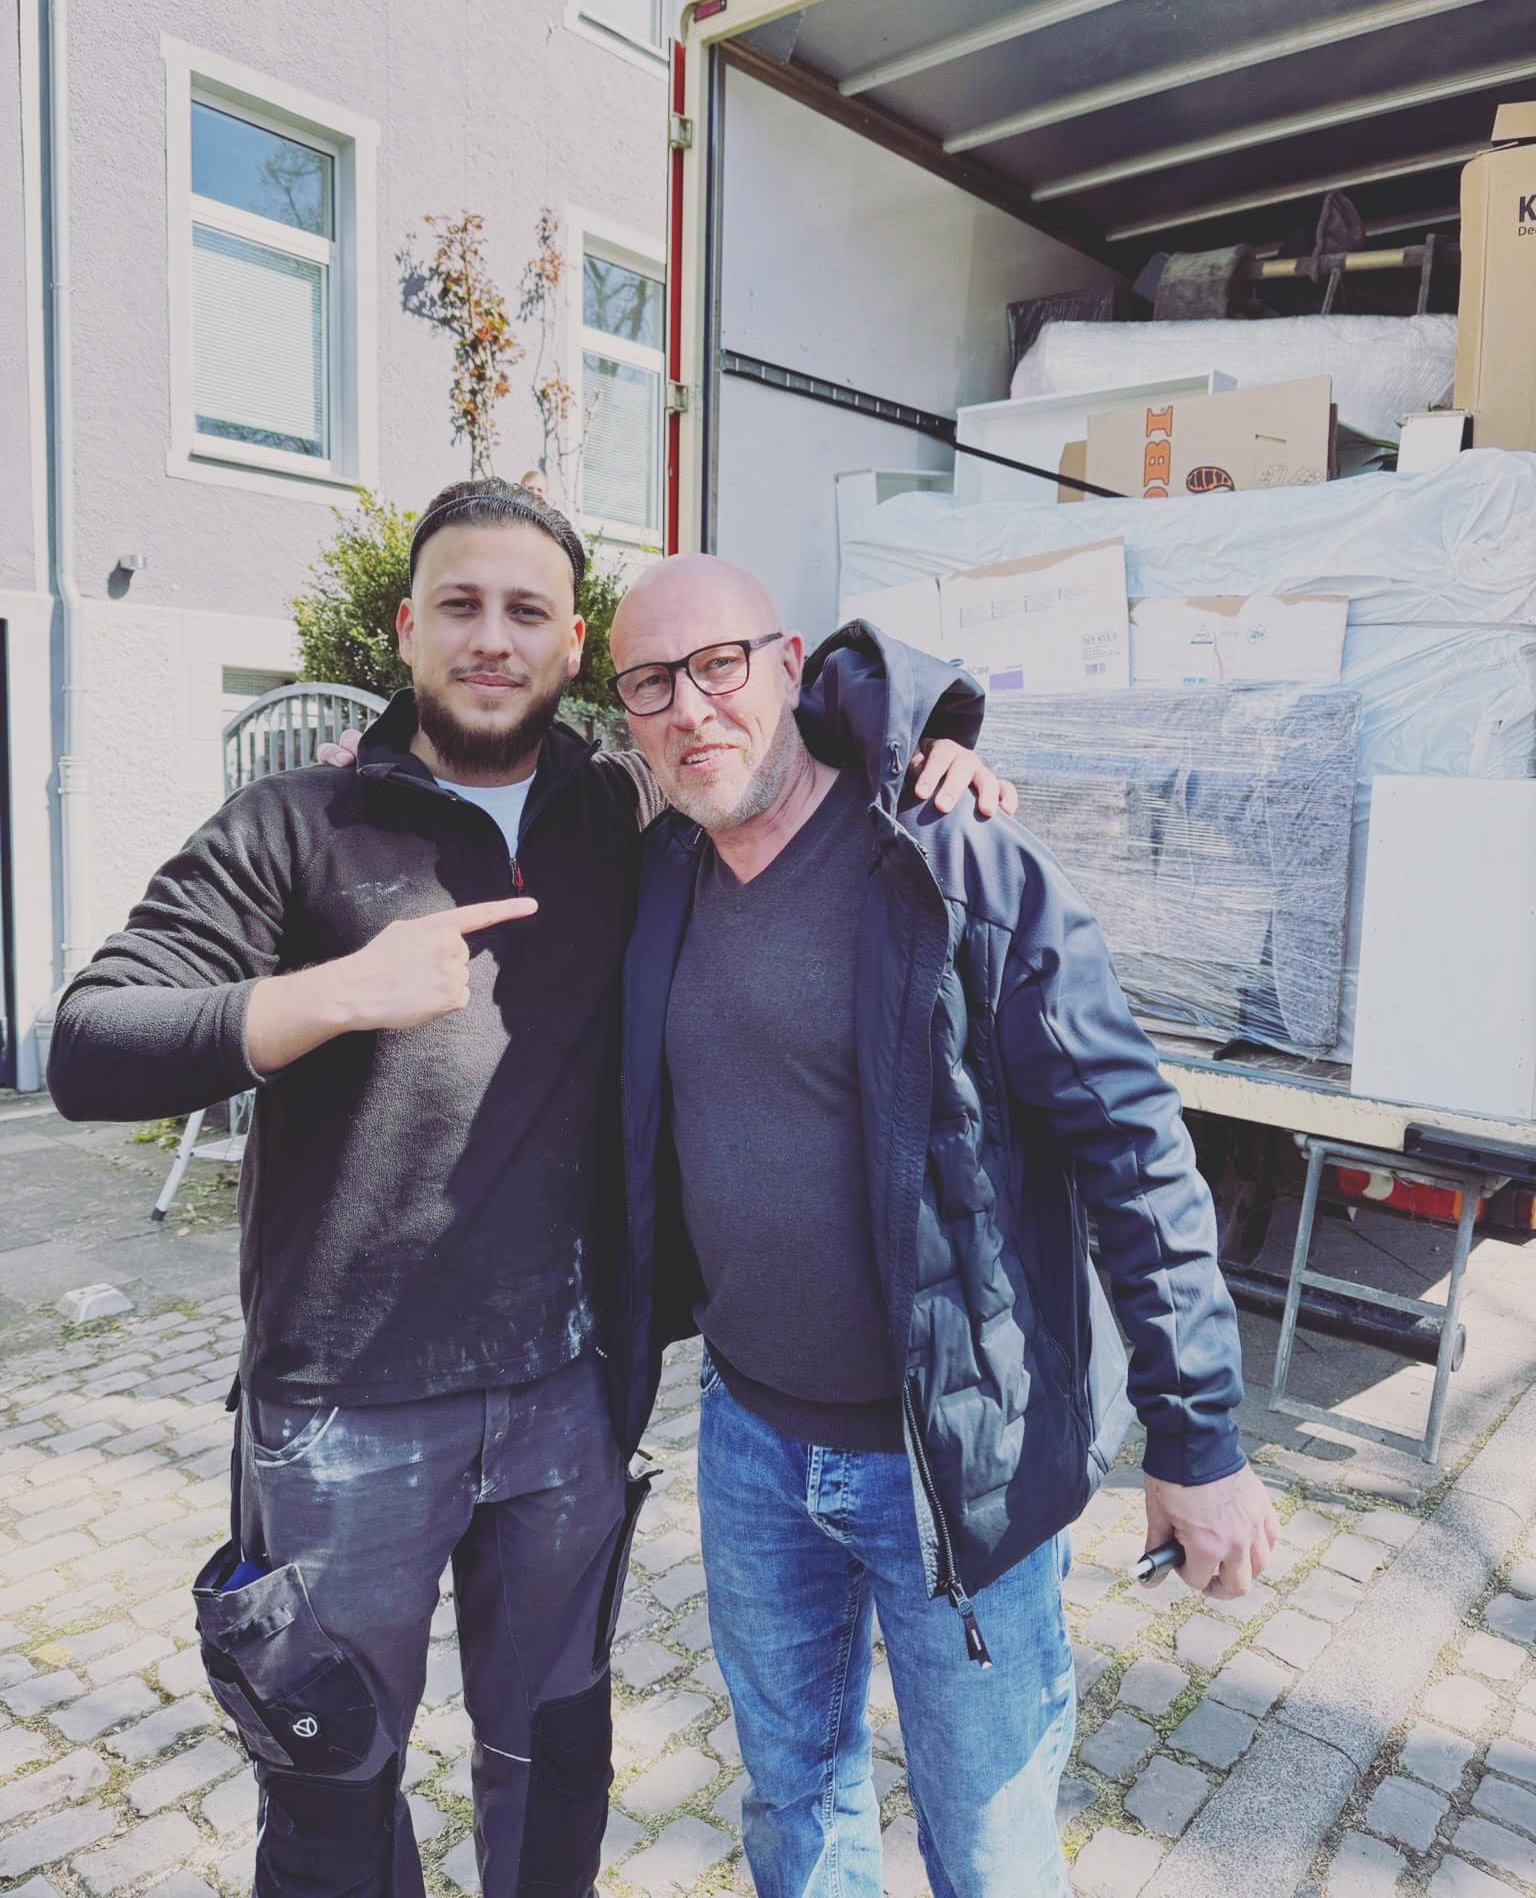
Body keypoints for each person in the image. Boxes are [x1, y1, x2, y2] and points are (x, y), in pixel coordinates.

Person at [46, 478, 1012, 1898]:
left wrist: (937, 747)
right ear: (408, 630)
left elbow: (771, 714)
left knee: (554, 1777)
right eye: (460, 605)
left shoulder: (626, 810)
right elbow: (87, 1046)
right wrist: (330, 994)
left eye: (527, 612)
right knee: (328, 1804)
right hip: (343, 1415)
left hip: (569, 1400)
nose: (491, 638)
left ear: (572, 649)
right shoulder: (295, 824)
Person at [606, 553, 1280, 1898]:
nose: (691, 708)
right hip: (747, 1444)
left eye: (719, 665)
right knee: (795, 1805)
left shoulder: (953, 857)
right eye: (650, 684)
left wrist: (1197, 1436)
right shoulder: (662, 874)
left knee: (988, 1843)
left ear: (790, 664)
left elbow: (1132, 1143)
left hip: (953, 1460)